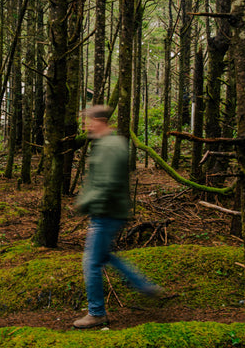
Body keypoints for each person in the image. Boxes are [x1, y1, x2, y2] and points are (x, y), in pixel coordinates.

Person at [73, 105, 163, 329]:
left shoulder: (110, 146)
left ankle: (96, 313)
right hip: (110, 210)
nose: (86, 126)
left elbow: (108, 183)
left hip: (106, 212)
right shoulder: (107, 144)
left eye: (88, 122)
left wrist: (86, 204)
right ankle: (142, 284)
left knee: (91, 262)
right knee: (104, 256)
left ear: (99, 121)